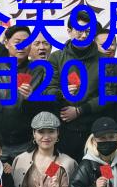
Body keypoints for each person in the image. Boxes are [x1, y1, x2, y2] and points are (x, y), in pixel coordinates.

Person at [47, 19, 111, 160]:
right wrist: (62, 94)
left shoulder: (104, 60)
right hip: (62, 129)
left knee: (93, 169)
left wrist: (79, 110)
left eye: (88, 31)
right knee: (60, 168)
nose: (84, 36)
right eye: (80, 31)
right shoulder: (56, 58)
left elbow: (107, 94)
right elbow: (48, 89)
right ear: (69, 31)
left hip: (92, 129)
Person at [0, 26, 42, 160]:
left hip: (26, 141)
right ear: (6, 43)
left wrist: (32, 98)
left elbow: (45, 107)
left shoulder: (38, 70)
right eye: (17, 42)